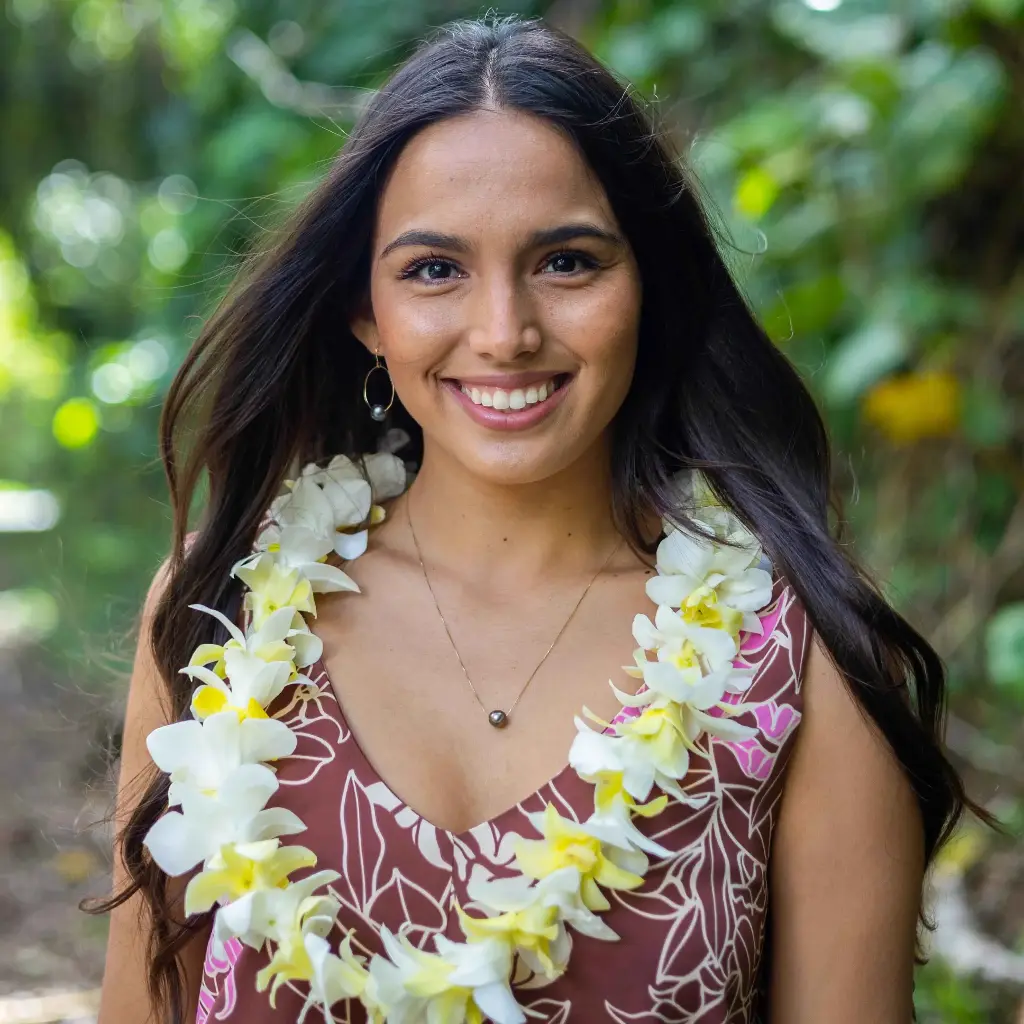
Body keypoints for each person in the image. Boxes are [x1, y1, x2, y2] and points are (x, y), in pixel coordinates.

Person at [94, 14, 975, 1024]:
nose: (505, 331)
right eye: (434, 269)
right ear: (364, 311)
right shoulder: (222, 615)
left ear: (648, 285)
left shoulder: (798, 660)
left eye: (566, 262)